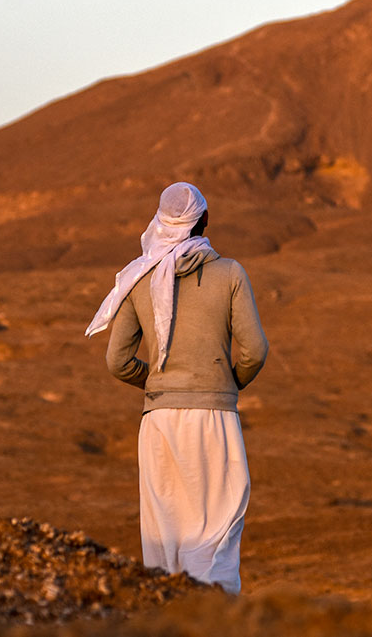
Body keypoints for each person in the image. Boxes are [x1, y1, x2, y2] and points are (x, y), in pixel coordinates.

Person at [85, 182, 268, 593]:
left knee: (166, 534)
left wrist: (158, 383)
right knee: (216, 531)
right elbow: (254, 349)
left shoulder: (137, 278)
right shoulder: (230, 273)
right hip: (215, 418)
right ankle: (214, 623)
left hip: (159, 421)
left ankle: (169, 621)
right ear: (204, 221)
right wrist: (223, 383)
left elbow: (117, 361)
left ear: (161, 223)